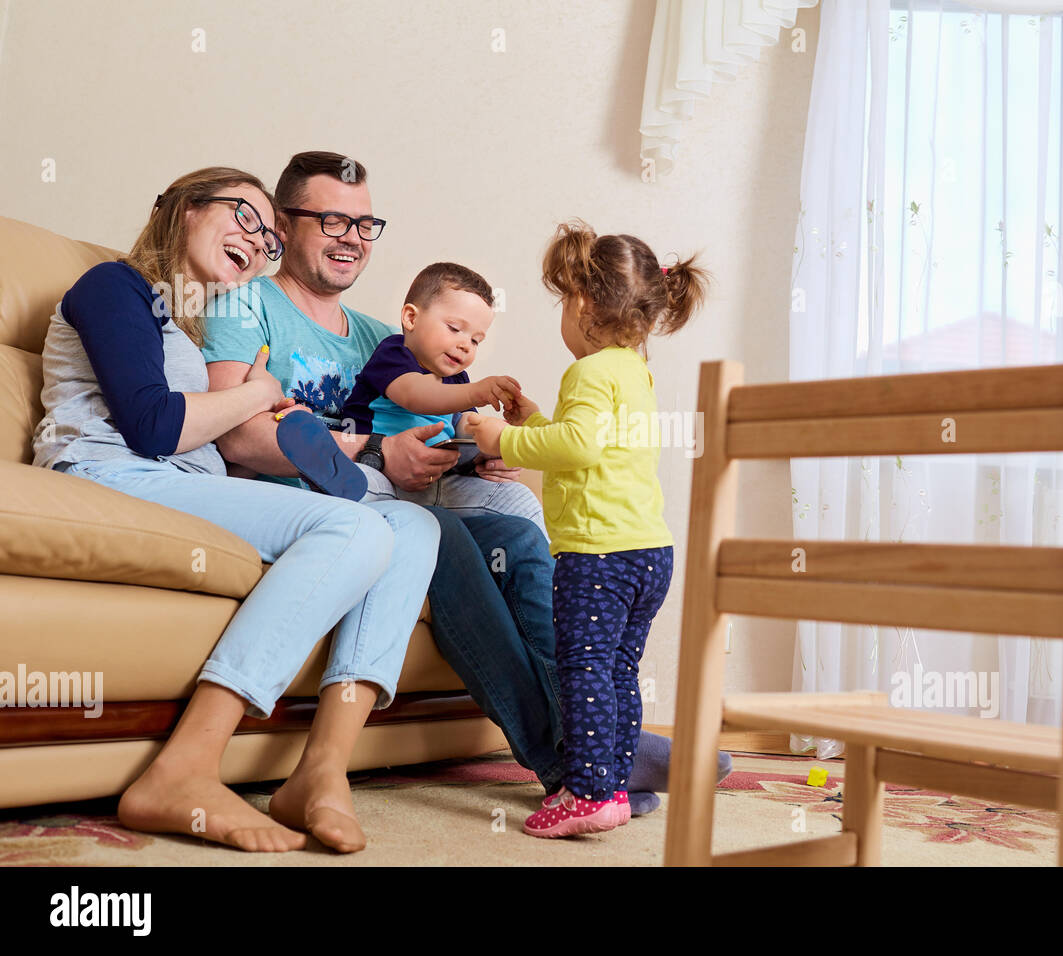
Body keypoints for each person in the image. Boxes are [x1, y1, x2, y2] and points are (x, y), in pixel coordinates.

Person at [201, 152, 730, 817]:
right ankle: (574, 760)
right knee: (441, 533)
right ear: (283, 222)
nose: (352, 238)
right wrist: (378, 451)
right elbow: (238, 437)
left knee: (516, 534)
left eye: (367, 225)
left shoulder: (376, 331)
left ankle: (593, 743)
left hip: (400, 496)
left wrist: (482, 454)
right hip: (317, 505)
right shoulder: (246, 304)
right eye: (333, 219)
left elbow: (433, 412)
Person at [32, 167, 440, 853]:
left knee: (412, 524)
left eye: (269, 241)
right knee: (352, 526)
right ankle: (183, 768)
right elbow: (153, 426)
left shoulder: (186, 330)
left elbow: (198, 437)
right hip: (108, 473)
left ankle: (321, 769)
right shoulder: (114, 287)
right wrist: (259, 396)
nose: (257, 244)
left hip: (180, 486)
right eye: (244, 218)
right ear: (186, 208)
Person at [466, 221, 707, 836]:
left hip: (599, 555)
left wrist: (505, 437)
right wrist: (537, 420)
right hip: (649, 551)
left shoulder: (588, 372)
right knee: (617, 670)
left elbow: (576, 446)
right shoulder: (633, 371)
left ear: (581, 302)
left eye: (562, 300)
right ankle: (617, 784)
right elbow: (591, 444)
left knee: (584, 670)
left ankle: (592, 792)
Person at [333, 260, 544, 533]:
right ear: (411, 318)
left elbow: (466, 424)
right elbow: (415, 394)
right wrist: (476, 391)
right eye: (455, 328)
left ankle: (559, 573)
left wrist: (503, 438)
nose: (465, 345)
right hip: (380, 472)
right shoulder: (394, 354)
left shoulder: (457, 379)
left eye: (476, 340)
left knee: (518, 498)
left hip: (436, 483)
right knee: (357, 482)